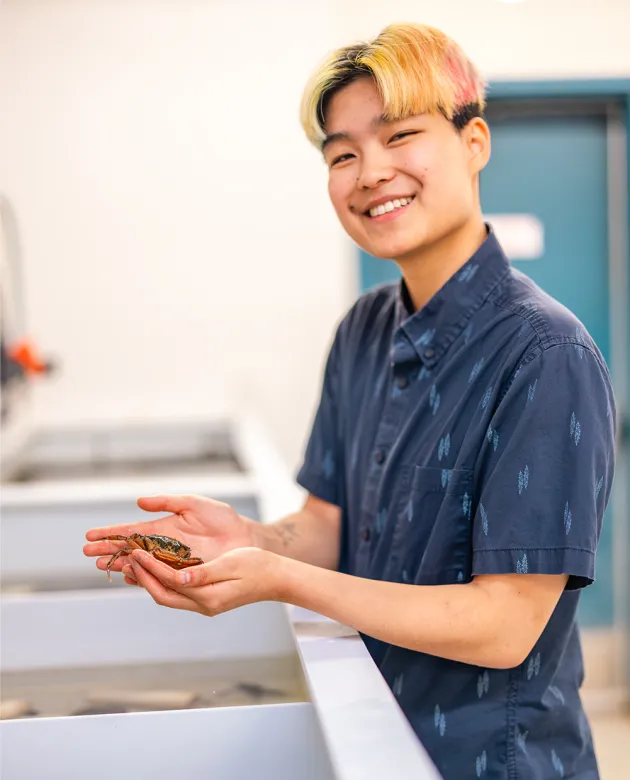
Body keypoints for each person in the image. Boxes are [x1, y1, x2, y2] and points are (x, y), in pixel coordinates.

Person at [84, 22, 617, 780]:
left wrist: (282, 580)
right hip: (371, 740)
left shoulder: (545, 353)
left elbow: (504, 627)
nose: (370, 172)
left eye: (400, 136)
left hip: (493, 762)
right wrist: (252, 541)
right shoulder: (364, 330)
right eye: (342, 154)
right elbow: (327, 526)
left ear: (474, 144)